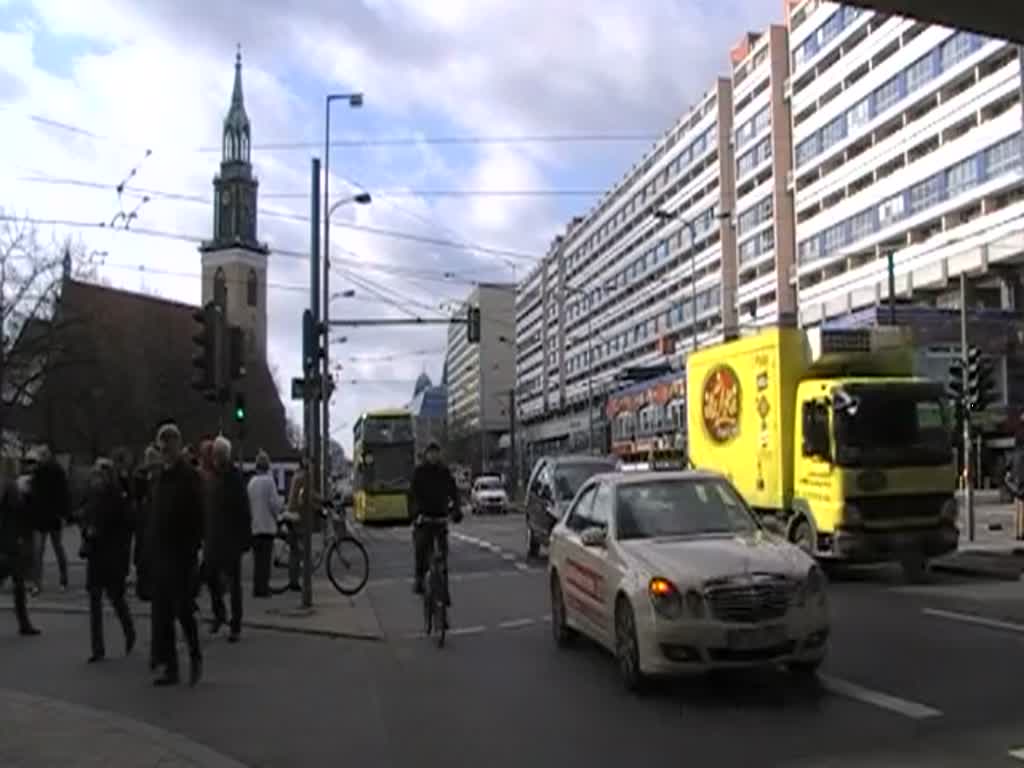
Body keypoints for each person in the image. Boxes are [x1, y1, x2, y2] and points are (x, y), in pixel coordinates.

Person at [148, 421, 205, 686]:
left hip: (182, 554)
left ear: (177, 446)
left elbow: (198, 515)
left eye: (169, 447)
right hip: (162, 553)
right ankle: (170, 666)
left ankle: (195, 655)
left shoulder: (188, 477)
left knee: (183, 609)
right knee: (162, 613)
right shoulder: (160, 477)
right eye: (163, 448)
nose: (166, 452)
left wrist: (193, 547)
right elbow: (155, 514)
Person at [80, 458, 136, 663]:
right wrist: (87, 528)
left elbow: (125, 526)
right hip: (96, 554)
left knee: (116, 598)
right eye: (96, 474)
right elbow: (85, 515)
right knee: (95, 601)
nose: (98, 478)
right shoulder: (92, 495)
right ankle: (97, 648)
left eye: (101, 474)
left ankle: (129, 630)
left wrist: (99, 530)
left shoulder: (117, 497)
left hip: (111, 555)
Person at [202, 436, 251, 642]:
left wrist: (244, 539)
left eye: (217, 454)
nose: (214, 458)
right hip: (213, 536)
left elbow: (243, 510)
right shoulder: (212, 477)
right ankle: (220, 613)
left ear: (224, 456)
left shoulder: (234, 478)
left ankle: (235, 624)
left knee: (234, 583)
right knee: (209, 576)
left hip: (230, 538)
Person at [410, 441, 461, 595]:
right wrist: (414, 513)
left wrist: (456, 510)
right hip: (424, 518)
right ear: (426, 455)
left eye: (436, 452)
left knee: (443, 554)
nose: (434, 455)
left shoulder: (444, 472)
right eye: (431, 452)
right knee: (421, 548)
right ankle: (419, 579)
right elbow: (412, 496)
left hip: (440, 518)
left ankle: (444, 588)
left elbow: (454, 493)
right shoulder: (419, 472)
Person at [0, 458, 40, 636]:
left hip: (9, 540)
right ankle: (24, 623)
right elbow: (18, 510)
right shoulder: (10, 486)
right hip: (9, 541)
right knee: (18, 582)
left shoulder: (8, 484)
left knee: (18, 582)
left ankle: (24, 623)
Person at [28, 446, 70, 594]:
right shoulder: (39, 472)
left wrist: (63, 514)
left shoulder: (55, 472)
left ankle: (62, 579)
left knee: (54, 548)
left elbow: (63, 494)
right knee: (41, 550)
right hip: (43, 516)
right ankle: (37, 583)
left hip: (51, 516)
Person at [247, 450, 282, 598]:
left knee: (257, 561)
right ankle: (264, 589)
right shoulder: (269, 481)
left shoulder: (251, 483)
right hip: (267, 526)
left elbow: (248, 505)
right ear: (267, 465)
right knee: (265, 562)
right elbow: (274, 504)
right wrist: (278, 515)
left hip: (255, 526)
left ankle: (257, 588)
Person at [283, 457, 315, 592]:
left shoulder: (297, 474)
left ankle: (294, 580)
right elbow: (307, 496)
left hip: (292, 514)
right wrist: (322, 502)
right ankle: (297, 580)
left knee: (295, 551)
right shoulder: (304, 477)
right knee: (301, 550)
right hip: (297, 517)